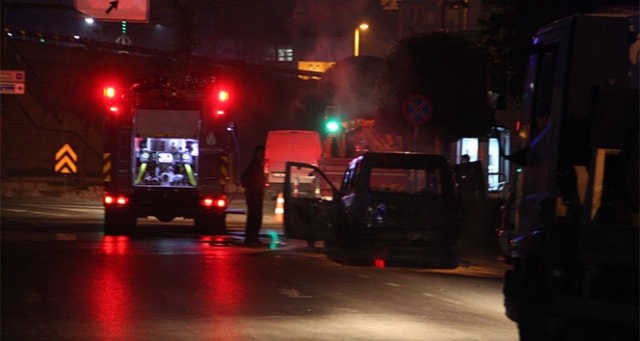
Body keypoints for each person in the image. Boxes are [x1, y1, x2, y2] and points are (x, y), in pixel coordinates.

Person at [241, 145, 266, 246]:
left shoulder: (256, 165)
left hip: (255, 194)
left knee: (255, 217)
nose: (263, 155)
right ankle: (251, 239)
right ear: (257, 153)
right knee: (254, 217)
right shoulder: (254, 165)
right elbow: (251, 179)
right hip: (254, 194)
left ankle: (253, 238)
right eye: (261, 153)